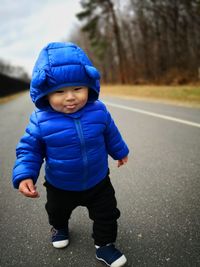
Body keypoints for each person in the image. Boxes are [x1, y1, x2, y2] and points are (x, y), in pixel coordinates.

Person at [12, 42, 129, 267]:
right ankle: (60, 227)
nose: (70, 97)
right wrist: (25, 174)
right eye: (59, 91)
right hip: (61, 185)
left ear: (89, 86)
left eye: (77, 88)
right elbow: (29, 149)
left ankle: (104, 245)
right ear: (45, 94)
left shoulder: (99, 110)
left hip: (98, 181)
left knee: (107, 214)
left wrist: (120, 151)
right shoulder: (41, 120)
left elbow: (110, 133)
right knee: (57, 211)